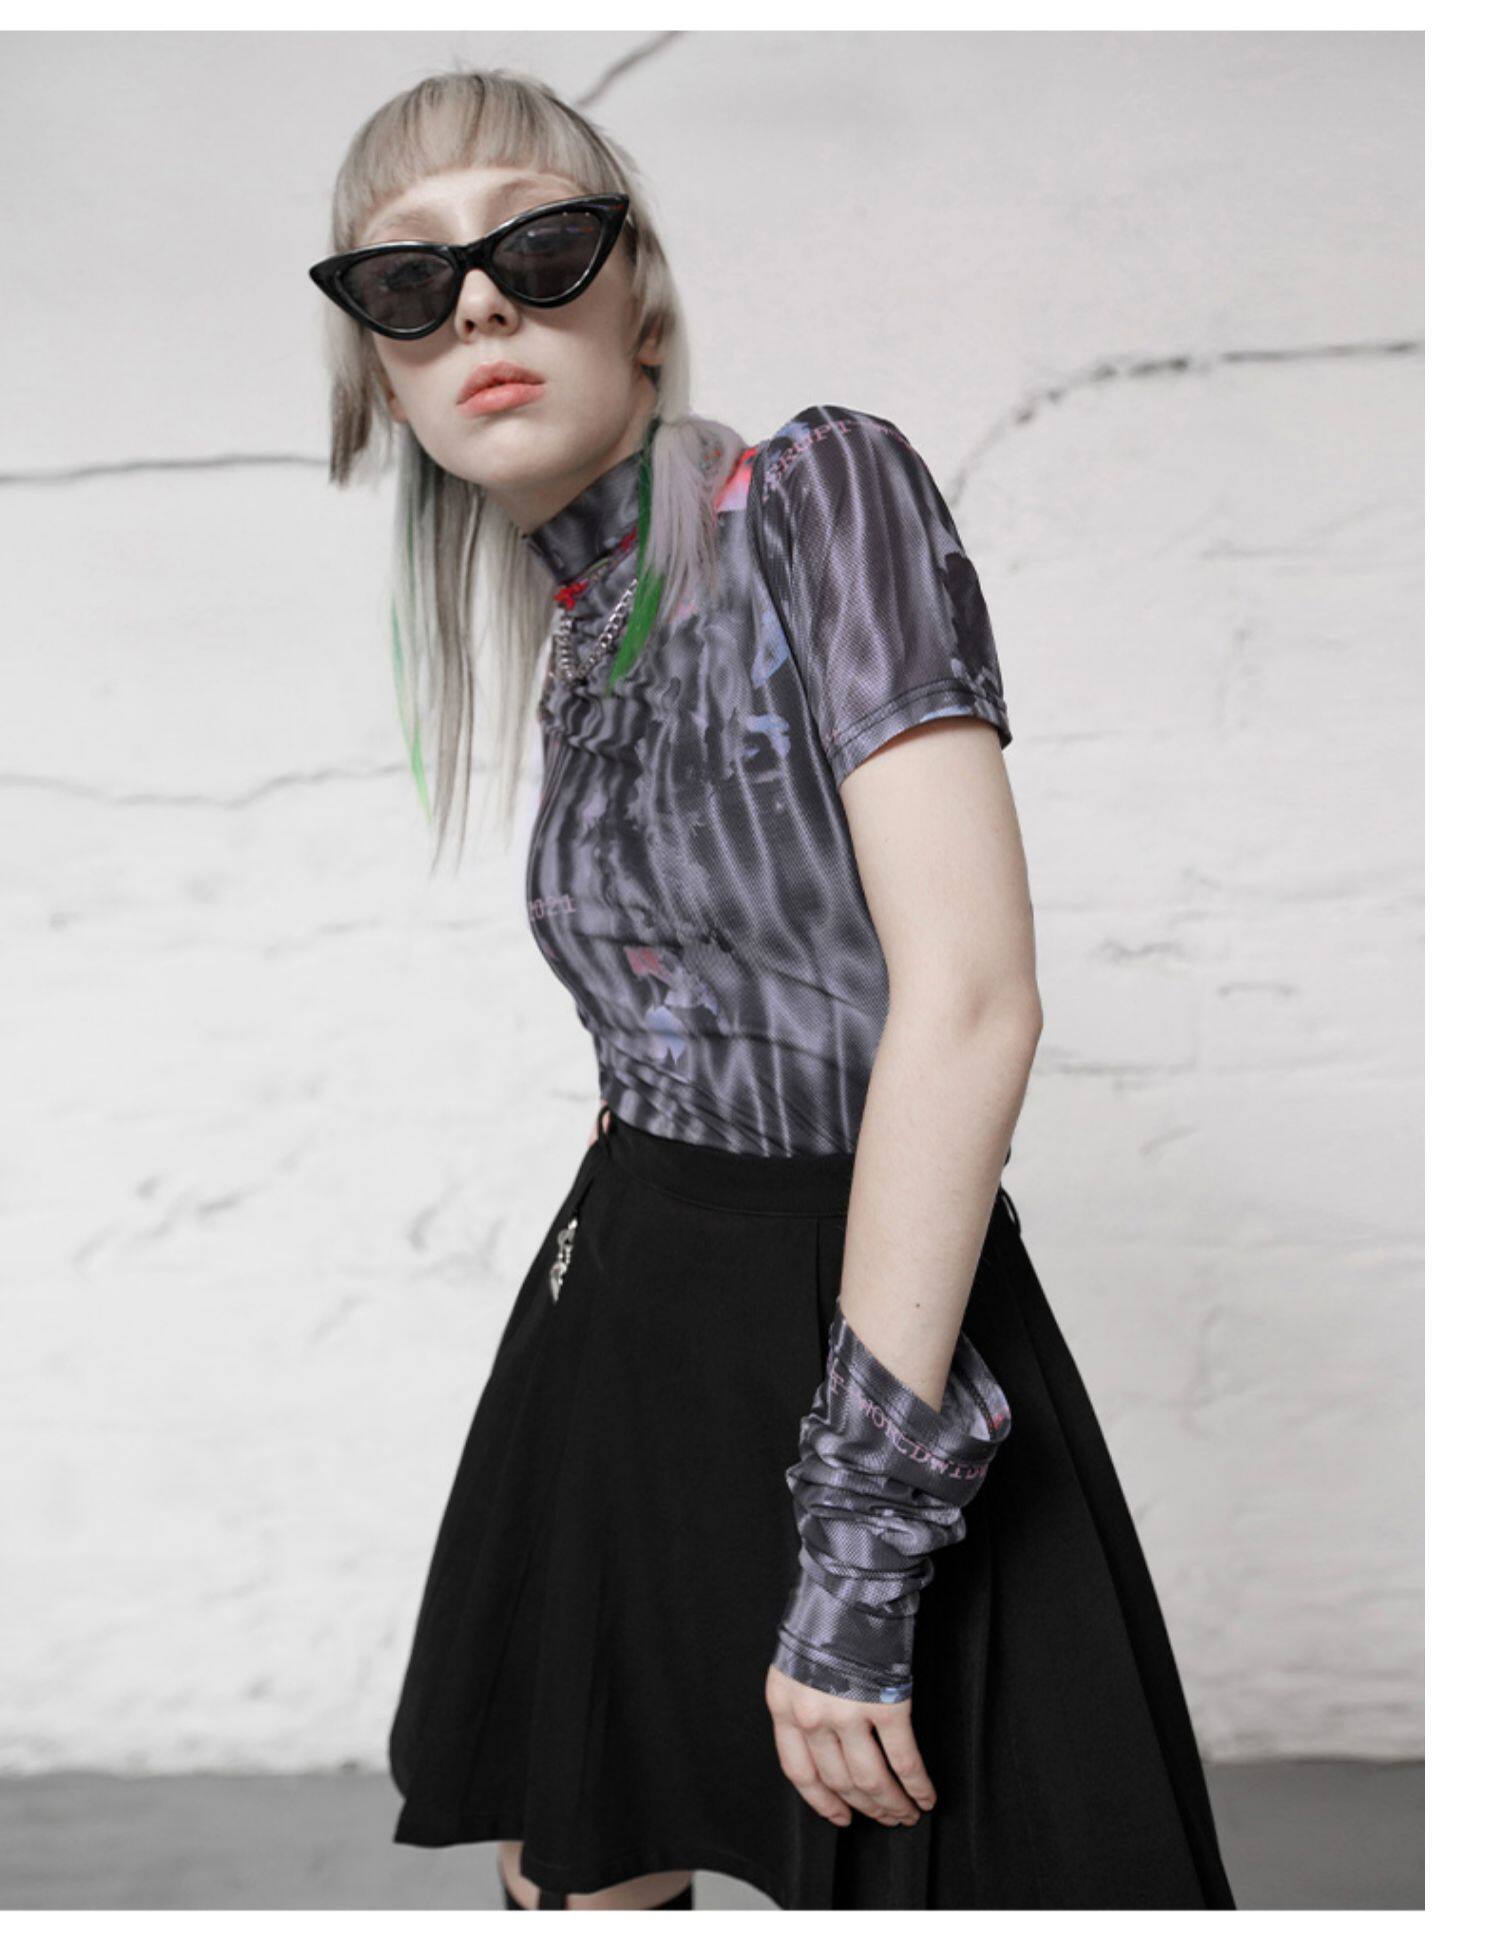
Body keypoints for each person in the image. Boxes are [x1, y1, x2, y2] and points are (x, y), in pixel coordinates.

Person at [309, 65, 1239, 1914]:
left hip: (863, 1331)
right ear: (383, 377)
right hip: (625, 1320)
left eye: (537, 246)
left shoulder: (821, 488)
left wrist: (864, 1543)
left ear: (640, 302)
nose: (478, 305)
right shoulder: (582, 632)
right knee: (584, 1860)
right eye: (410, 281)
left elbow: (968, 1001)